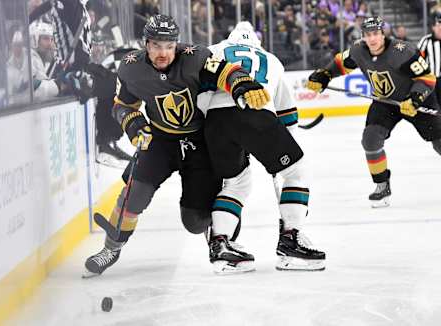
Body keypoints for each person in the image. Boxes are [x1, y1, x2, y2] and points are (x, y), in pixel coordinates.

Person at [83, 14, 270, 277]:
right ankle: (111, 248)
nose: (163, 53)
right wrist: (135, 127)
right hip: (159, 139)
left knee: (195, 221)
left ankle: (220, 239)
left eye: (169, 46)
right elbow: (123, 106)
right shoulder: (130, 68)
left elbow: (227, 71)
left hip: (198, 141)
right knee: (133, 195)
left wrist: (242, 83)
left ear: (177, 44)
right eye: (157, 45)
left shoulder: (196, 57)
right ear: (145, 44)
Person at [197, 21, 326, 273]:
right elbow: (287, 114)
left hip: (215, 122)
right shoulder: (271, 59)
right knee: (296, 172)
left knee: (237, 182)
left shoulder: (213, 51)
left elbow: (200, 94)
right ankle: (291, 241)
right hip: (256, 115)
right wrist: (283, 159)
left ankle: (221, 246)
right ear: (257, 43)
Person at [307, 16, 441, 207]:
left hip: (417, 101)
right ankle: (381, 185)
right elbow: (340, 63)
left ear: (383, 34)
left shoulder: (402, 51)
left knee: (439, 144)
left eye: (376, 34)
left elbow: (427, 77)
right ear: (363, 36)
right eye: (368, 35)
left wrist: (415, 99)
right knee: (370, 139)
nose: (372, 39)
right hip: (385, 102)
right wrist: (324, 75)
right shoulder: (358, 50)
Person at [418, 12, 441, 106]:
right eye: (438, 25)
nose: (440, 28)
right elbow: (417, 59)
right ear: (433, 27)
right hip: (430, 81)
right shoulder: (426, 41)